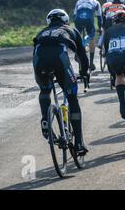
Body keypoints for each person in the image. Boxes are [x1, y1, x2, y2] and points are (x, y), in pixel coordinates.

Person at [33, 9, 89, 156]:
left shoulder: (42, 32)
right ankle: (78, 143)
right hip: (59, 59)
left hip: (39, 60)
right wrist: (84, 72)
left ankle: (46, 119)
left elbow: (35, 53)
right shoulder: (71, 30)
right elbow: (82, 56)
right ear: (66, 20)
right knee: (72, 97)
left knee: (45, 90)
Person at [73, 0, 102, 71]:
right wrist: (99, 28)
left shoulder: (78, 1)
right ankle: (91, 63)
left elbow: (74, 15)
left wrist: (76, 24)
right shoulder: (96, 2)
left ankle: (77, 52)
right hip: (89, 21)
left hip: (78, 20)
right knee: (91, 38)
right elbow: (99, 17)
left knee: (78, 38)